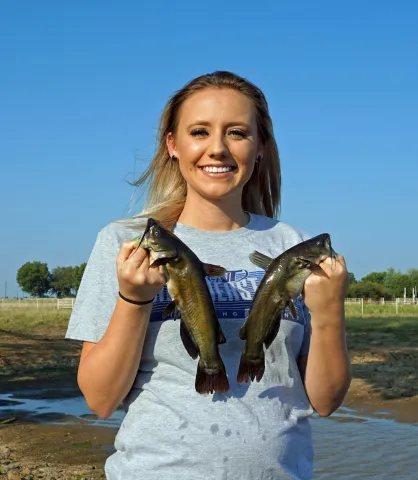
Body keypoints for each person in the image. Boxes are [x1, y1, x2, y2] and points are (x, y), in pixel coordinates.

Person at [65, 70, 352, 480]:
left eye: (236, 132)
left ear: (260, 148)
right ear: (173, 145)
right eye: (199, 131)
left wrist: (328, 313)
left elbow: (325, 401)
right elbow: (101, 399)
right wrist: (134, 299)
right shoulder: (125, 245)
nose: (217, 149)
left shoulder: (296, 247)